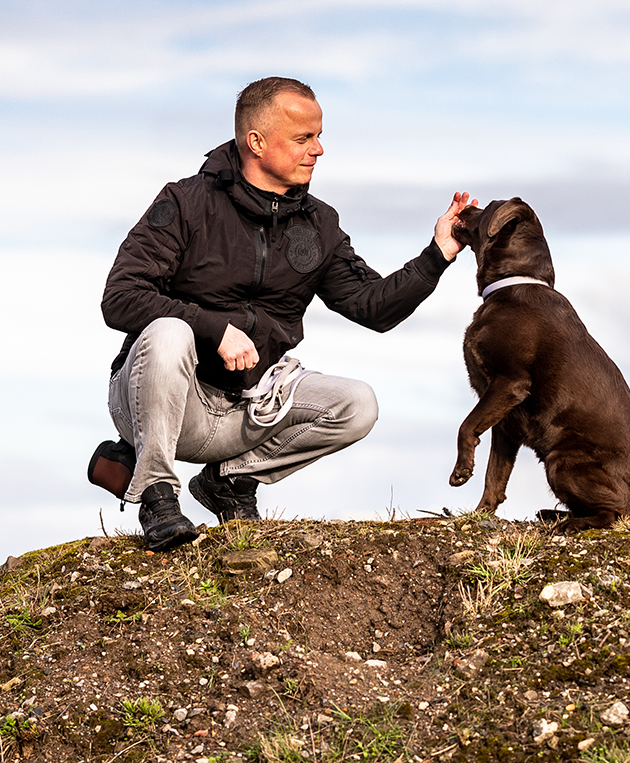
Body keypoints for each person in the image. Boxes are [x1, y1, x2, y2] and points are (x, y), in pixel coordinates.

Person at [89, 76, 474, 551]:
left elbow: (372, 307)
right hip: (161, 402)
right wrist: (214, 330)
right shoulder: (185, 202)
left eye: (318, 135)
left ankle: (228, 482)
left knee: (358, 404)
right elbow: (121, 296)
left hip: (247, 407)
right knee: (169, 332)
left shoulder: (319, 224)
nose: (318, 150)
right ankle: (156, 494)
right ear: (255, 142)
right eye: (303, 138)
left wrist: (438, 253)